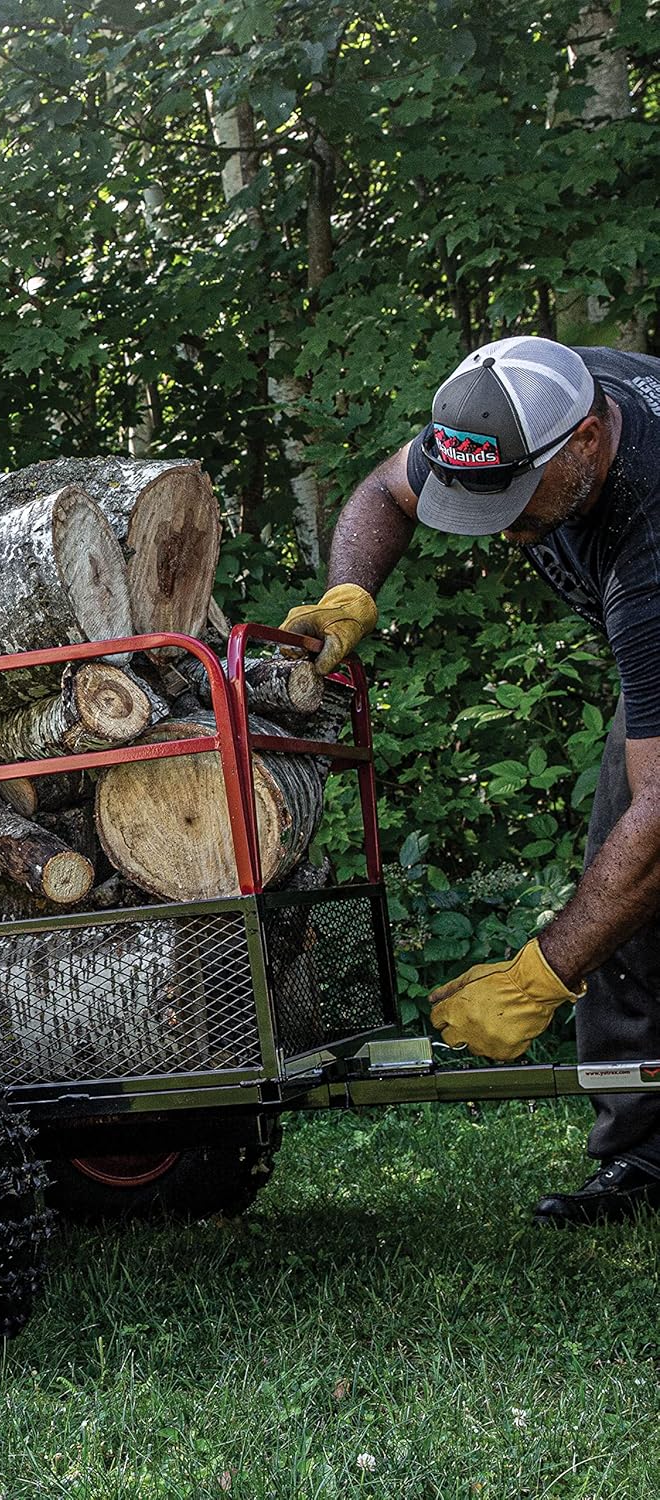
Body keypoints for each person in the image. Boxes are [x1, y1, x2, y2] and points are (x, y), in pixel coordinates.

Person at [281, 335, 660, 1225]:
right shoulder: (512, 409)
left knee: (638, 858)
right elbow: (386, 490)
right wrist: (347, 596)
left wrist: (542, 973)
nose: (501, 528)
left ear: (587, 442)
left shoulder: (652, 533)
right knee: (624, 881)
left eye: (514, 502)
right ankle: (647, 1160)